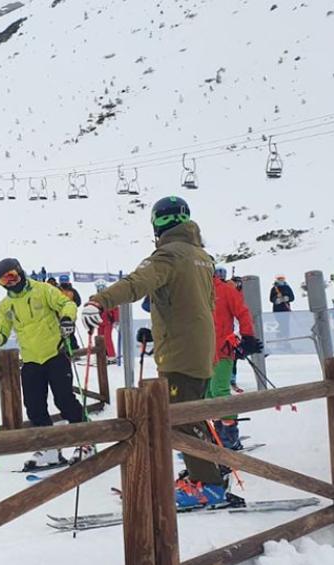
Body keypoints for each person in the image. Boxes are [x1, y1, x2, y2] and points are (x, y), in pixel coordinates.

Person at [81, 195, 236, 509]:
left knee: (180, 419)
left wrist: (99, 300)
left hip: (181, 353)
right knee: (192, 413)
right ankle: (206, 474)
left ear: (157, 223)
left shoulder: (168, 255)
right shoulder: (201, 256)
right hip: (198, 348)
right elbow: (196, 304)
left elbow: (136, 282)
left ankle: (207, 486)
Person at [0, 258, 88, 470]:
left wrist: (67, 319)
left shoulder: (43, 290)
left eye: (12, 275)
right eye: (4, 280)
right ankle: (50, 448)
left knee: (64, 399)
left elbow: (67, 303)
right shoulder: (6, 305)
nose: (11, 282)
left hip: (55, 353)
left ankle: (85, 441)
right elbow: (2, 327)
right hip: (32, 359)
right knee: (34, 406)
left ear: (20, 272)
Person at [210, 271, 262, 449]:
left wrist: (247, 337)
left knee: (220, 390)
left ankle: (230, 437)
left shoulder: (224, 290)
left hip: (223, 349)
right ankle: (217, 434)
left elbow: (242, 312)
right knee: (208, 394)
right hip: (201, 353)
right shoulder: (194, 291)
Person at [94, 281, 120, 359]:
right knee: (100, 339)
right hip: (99, 322)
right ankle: (102, 354)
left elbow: (115, 309)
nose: (101, 290)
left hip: (108, 321)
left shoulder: (110, 297)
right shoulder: (95, 298)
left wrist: (116, 320)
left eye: (102, 288)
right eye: (99, 288)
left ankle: (111, 355)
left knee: (107, 338)